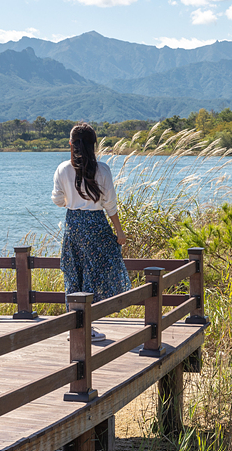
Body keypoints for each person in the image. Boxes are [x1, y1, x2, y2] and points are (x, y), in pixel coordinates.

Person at [52, 122, 131, 341]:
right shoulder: (103, 169)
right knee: (97, 273)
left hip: (73, 226)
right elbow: (111, 206)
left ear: (71, 144)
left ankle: (76, 327)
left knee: (74, 272)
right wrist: (120, 233)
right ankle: (87, 327)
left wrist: (72, 198)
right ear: (93, 145)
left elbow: (58, 200)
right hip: (96, 225)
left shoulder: (62, 169)